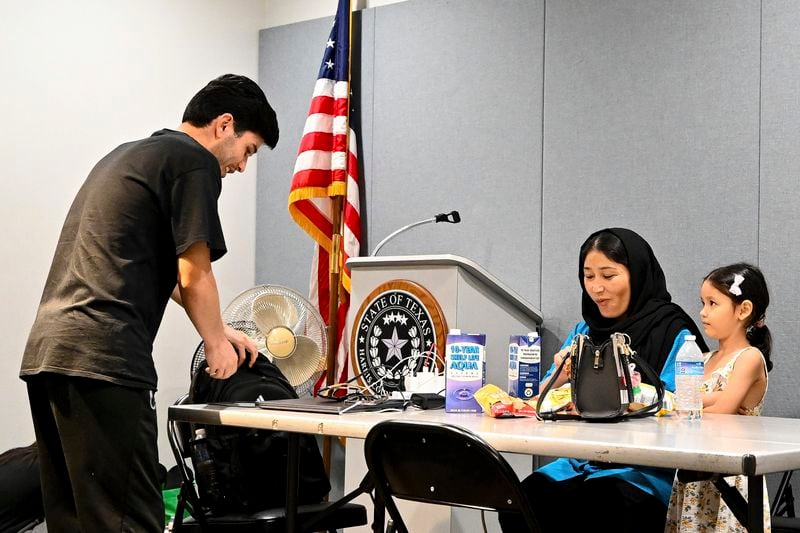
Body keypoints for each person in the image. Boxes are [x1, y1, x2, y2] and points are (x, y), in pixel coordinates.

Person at [19, 74, 278, 532]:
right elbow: (195, 273)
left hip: (50, 356)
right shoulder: (193, 162)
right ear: (224, 125)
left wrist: (220, 329)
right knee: (129, 521)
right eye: (249, 150)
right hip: (105, 360)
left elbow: (149, 268)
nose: (241, 166)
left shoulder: (130, 154)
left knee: (74, 521)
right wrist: (216, 345)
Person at [500, 227, 708, 533]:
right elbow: (540, 400)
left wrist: (628, 389)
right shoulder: (584, 331)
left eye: (608, 276)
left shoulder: (674, 331)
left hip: (645, 468)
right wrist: (560, 376)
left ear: (636, 275)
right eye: (589, 276)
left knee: (603, 507)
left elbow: (680, 410)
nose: (597, 287)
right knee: (521, 504)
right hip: (582, 462)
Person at [665, 263, 772, 532]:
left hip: (731, 476)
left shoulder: (749, 358)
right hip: (696, 470)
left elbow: (723, 408)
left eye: (713, 303)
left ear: (743, 310)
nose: (703, 312)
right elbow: (683, 403)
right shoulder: (702, 358)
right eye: (702, 303)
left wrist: (693, 401)